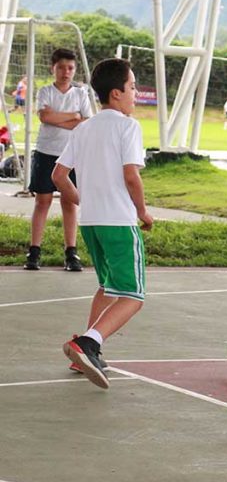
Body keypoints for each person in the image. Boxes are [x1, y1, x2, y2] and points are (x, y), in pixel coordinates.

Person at [56, 58, 153, 390]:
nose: (135, 93)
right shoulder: (128, 126)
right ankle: (89, 342)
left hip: (91, 223)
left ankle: (84, 350)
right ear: (116, 93)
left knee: (107, 287)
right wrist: (143, 212)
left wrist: (84, 200)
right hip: (118, 222)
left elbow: (59, 176)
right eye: (132, 86)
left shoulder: (84, 128)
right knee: (133, 295)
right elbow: (131, 176)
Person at [25, 49, 94, 271]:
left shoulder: (80, 94)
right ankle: (34, 251)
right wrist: (72, 116)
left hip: (73, 154)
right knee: (42, 201)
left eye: (71, 68)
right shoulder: (45, 91)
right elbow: (45, 116)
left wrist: (60, 119)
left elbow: (86, 122)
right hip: (46, 151)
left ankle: (71, 252)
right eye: (62, 67)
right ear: (53, 68)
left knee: (69, 202)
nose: (66, 72)